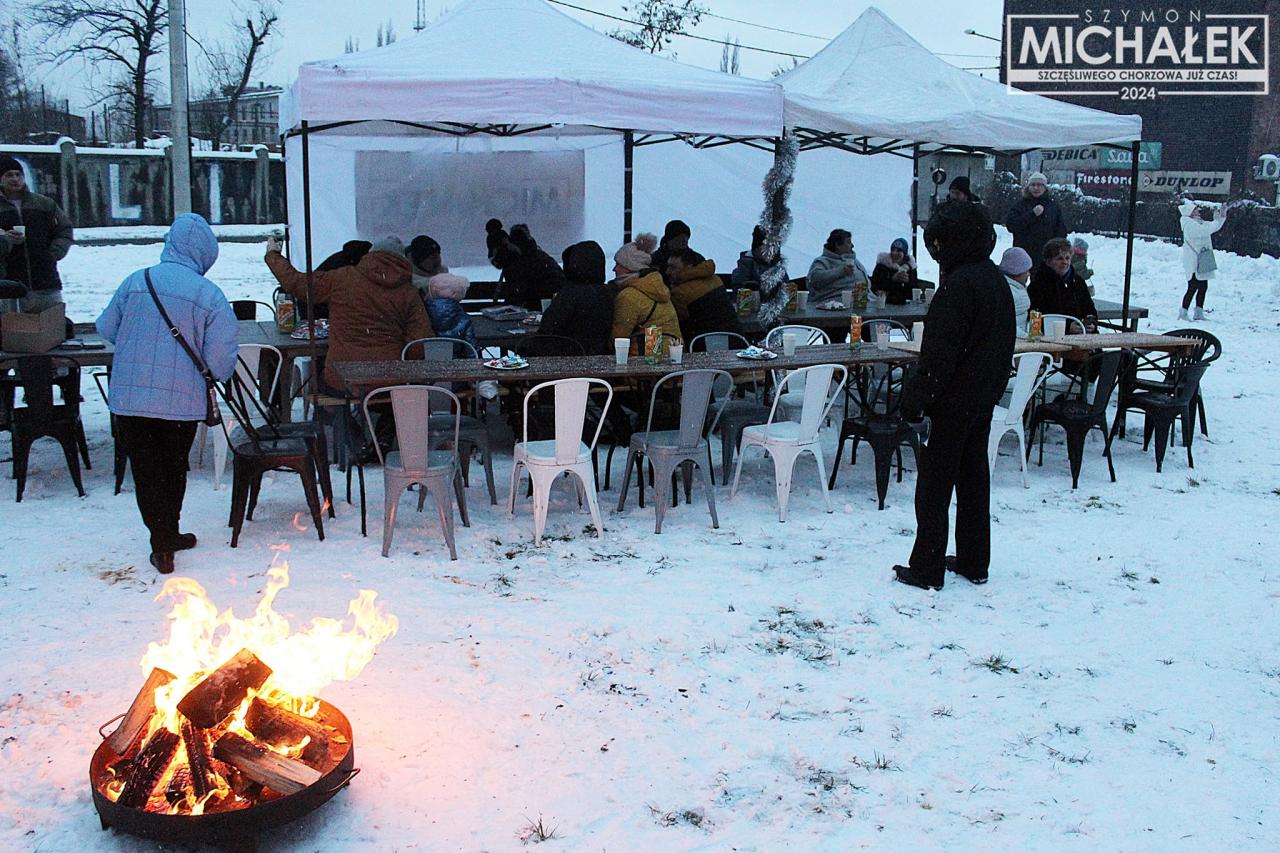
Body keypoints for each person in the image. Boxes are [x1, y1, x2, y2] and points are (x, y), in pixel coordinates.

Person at [96, 214, 238, 575]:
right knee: (174, 468)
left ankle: (162, 538)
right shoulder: (209, 294)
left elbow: (106, 327)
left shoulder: (136, 281)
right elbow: (220, 359)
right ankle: (166, 537)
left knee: (145, 469)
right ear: (207, 253)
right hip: (181, 402)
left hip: (130, 399)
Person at [893, 200, 1015, 591]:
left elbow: (938, 356)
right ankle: (974, 560)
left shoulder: (959, 286)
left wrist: (913, 402)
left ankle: (927, 568)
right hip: (981, 400)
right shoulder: (995, 281)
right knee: (974, 481)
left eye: (938, 246)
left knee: (934, 487)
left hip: (953, 402)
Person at [265, 234, 433, 392]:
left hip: (343, 379)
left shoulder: (341, 279)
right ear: (402, 261)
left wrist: (273, 255)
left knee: (321, 382)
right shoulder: (409, 293)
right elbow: (419, 344)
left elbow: (296, 282)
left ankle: (336, 421)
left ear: (370, 255)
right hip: (390, 380)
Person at [0, 155, 74, 311]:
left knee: (51, 328)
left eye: (18, 174)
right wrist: (4, 239)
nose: (15, 179)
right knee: (13, 332)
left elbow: (64, 229)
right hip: (8, 285)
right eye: (9, 175)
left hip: (45, 281)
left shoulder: (44, 203)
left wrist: (54, 253)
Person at [539, 241, 614, 355]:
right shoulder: (605, 292)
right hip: (598, 357)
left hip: (568, 357)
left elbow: (548, 327)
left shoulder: (570, 294)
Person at [611, 233, 681, 350]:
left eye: (618, 264)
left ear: (630, 267)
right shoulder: (656, 287)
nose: (614, 269)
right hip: (673, 352)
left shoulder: (628, 296)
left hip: (645, 357)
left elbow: (618, 340)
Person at [485, 219, 565, 311]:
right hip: (548, 306)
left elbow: (517, 294)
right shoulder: (540, 257)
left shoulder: (517, 262)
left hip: (534, 308)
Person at [668, 248, 742, 342]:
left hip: (703, 347)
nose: (668, 272)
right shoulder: (715, 280)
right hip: (736, 340)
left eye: (673, 267)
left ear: (689, 266)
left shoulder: (680, 293)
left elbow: (679, 325)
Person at [1027, 238, 1097, 328]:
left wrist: (1091, 323)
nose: (1065, 262)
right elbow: (1034, 319)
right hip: (1051, 338)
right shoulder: (1038, 284)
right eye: (1060, 258)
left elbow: (1090, 309)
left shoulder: (1078, 282)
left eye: (1067, 258)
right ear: (1048, 261)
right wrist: (1067, 327)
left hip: (1082, 335)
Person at [1178, 201, 1226, 321]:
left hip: (1203, 257)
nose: (1198, 212)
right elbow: (1204, 231)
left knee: (1203, 286)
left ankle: (1199, 311)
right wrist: (1215, 221)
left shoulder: (1199, 223)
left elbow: (1212, 227)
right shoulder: (1188, 223)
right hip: (1194, 259)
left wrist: (1221, 217)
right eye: (1195, 210)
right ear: (1189, 212)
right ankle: (1183, 312)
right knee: (1193, 286)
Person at [1005, 171, 1067, 261]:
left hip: (1047, 256)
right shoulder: (1020, 206)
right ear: (1028, 187)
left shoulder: (1053, 207)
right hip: (1024, 255)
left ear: (1045, 188)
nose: (1036, 188)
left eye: (1039, 185)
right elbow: (1011, 226)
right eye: (1033, 185)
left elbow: (1061, 230)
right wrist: (1032, 214)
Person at [806, 228, 869, 305]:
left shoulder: (854, 261)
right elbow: (815, 280)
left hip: (865, 301)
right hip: (835, 303)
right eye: (848, 242)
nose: (852, 246)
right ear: (838, 245)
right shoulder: (823, 261)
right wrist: (841, 271)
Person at [422, 272, 478, 356]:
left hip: (425, 364)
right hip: (456, 365)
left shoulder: (422, 315)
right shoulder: (463, 319)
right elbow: (471, 349)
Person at [731, 226, 786, 291]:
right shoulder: (746, 265)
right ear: (756, 250)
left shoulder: (777, 267)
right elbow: (738, 286)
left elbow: (785, 284)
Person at [869, 237, 918, 305]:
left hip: (906, 306)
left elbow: (913, 290)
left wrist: (907, 282)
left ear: (904, 253)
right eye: (893, 250)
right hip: (883, 304)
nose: (894, 253)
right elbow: (874, 286)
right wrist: (892, 280)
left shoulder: (910, 268)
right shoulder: (882, 266)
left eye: (899, 251)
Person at [997, 247, 1033, 335]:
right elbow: (1006, 323)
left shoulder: (1018, 287)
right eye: (1026, 271)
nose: (1028, 274)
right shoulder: (1009, 293)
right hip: (1016, 340)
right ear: (1016, 272)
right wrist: (1026, 337)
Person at [649, 219, 691, 285]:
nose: (684, 241)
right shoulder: (655, 258)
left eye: (686, 237)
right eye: (679, 237)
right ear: (670, 239)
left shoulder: (694, 258)